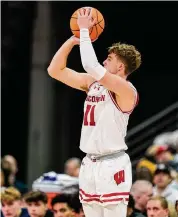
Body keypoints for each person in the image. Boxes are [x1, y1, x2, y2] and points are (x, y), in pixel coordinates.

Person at [48, 7, 141, 217]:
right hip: (89, 162)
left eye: (110, 58)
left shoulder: (127, 90)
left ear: (120, 67)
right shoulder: (93, 83)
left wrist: (83, 31)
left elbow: (90, 64)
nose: (105, 61)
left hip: (112, 162)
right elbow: (55, 70)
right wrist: (72, 41)